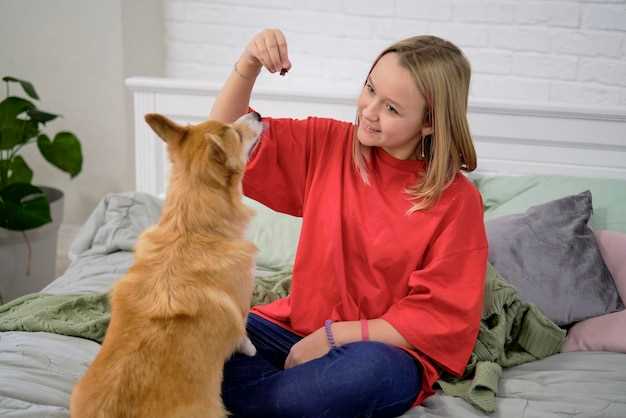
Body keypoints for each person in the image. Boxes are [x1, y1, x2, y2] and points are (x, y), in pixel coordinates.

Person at [209, 28, 488, 418]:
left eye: (391, 108)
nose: (369, 111)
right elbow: (224, 142)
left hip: (379, 354)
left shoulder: (457, 201)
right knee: (190, 334)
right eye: (369, 89)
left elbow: (437, 317)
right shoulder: (327, 144)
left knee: (364, 375)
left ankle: (256, 399)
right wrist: (249, 64)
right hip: (288, 330)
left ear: (428, 123)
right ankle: (276, 400)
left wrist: (333, 336)